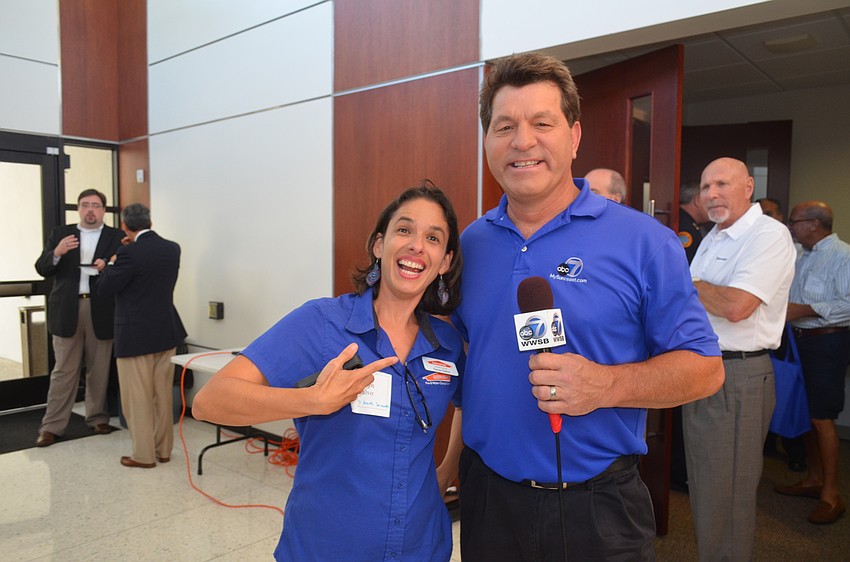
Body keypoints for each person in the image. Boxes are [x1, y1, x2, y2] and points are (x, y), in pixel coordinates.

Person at [449, 52, 724, 561]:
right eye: (504, 125)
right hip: (488, 501)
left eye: (542, 123)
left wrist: (607, 385)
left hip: (597, 510)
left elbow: (705, 371)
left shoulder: (645, 242)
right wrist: (450, 464)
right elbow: (473, 358)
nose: (522, 141)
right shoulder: (471, 243)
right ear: (487, 141)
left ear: (574, 136)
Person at [192, 183, 464, 561]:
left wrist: (449, 466)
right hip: (327, 546)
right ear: (378, 245)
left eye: (433, 238)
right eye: (404, 230)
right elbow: (210, 402)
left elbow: (468, 403)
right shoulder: (321, 323)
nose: (417, 245)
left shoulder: (448, 344)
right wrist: (311, 400)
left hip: (422, 546)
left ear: (445, 261)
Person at [685, 157, 796, 560]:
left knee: (727, 499)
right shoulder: (713, 236)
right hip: (704, 372)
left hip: (738, 375)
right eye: (705, 186)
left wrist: (688, 283)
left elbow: (736, 306)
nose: (711, 194)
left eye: (722, 184)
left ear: (748, 186)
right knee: (706, 491)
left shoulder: (768, 235)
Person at [774, 201, 850, 524]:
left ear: (814, 224)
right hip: (799, 342)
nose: (790, 226)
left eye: (795, 221)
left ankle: (831, 494)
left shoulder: (843, 256)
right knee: (805, 413)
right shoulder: (802, 255)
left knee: (822, 418)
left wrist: (802, 310)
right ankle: (814, 478)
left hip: (827, 344)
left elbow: (847, 304)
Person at [34, 189, 125, 447]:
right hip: (67, 309)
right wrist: (58, 252)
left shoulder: (116, 237)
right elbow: (42, 268)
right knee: (64, 370)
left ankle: (97, 418)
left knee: (99, 369)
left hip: (101, 309)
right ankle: (51, 426)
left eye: (96, 205)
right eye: (85, 205)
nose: (90, 210)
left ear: (103, 210)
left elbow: (124, 271)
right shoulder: (60, 234)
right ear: (78, 209)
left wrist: (108, 266)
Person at [98, 204, 186, 469]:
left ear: (125, 225)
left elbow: (105, 288)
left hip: (135, 335)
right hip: (166, 331)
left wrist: (111, 263)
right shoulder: (172, 248)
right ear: (151, 221)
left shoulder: (126, 254)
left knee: (137, 399)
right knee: (162, 395)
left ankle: (143, 456)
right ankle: (163, 451)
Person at [678, 181, 709, 264]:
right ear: (698, 200)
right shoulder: (685, 226)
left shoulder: (685, 220)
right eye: (708, 200)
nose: (712, 205)